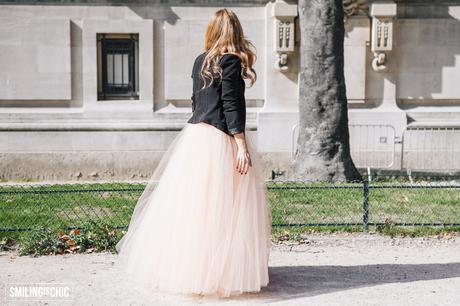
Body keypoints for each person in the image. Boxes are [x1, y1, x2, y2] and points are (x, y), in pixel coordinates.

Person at [115, 8, 271, 299]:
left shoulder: (201, 61)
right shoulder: (231, 62)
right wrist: (241, 144)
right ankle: (219, 274)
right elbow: (231, 104)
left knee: (195, 210)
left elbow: (194, 101)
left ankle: (190, 271)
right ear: (235, 31)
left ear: (211, 31)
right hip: (222, 137)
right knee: (225, 210)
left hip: (196, 136)